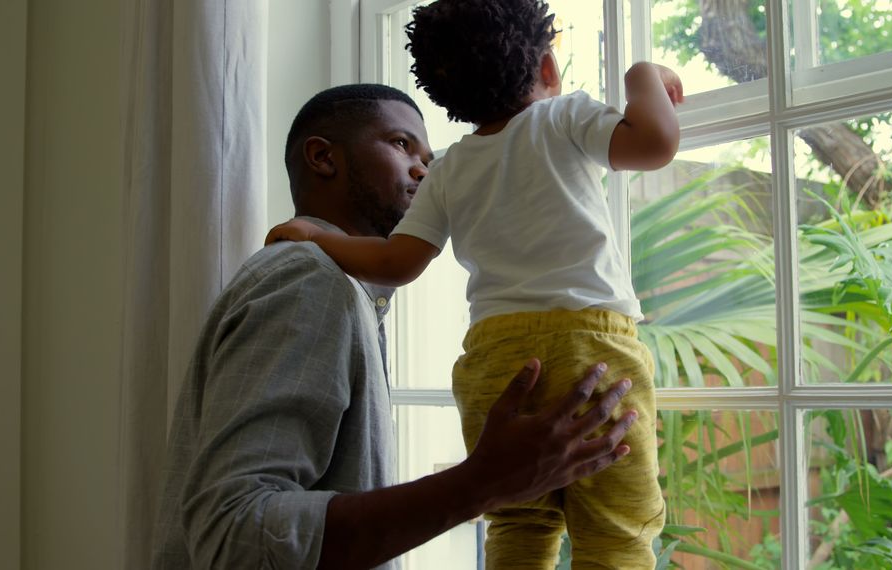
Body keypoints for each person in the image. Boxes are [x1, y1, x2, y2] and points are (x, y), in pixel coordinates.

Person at [150, 83, 640, 570]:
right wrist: (482, 482)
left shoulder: (340, 288)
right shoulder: (308, 282)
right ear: (323, 158)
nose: (424, 171)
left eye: (429, 157)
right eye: (402, 144)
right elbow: (234, 534)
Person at [264, 1, 684, 567]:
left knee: (517, 522)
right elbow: (655, 142)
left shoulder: (450, 168)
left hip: (498, 359)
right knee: (617, 528)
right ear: (546, 69)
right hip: (590, 346)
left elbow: (396, 261)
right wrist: (644, 75)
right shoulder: (563, 116)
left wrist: (312, 236)